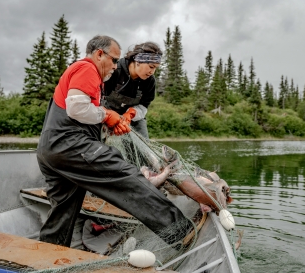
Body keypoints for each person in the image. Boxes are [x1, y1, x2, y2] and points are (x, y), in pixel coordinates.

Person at [36, 35, 191, 248]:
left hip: (50, 150)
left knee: (63, 209)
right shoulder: (87, 68)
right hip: (71, 146)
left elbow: (78, 110)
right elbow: (76, 108)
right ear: (100, 54)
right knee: (126, 176)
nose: (117, 66)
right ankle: (182, 233)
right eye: (115, 60)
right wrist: (107, 115)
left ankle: (48, 255)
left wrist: (111, 118)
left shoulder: (81, 72)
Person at [103, 42, 162, 139]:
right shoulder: (115, 70)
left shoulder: (150, 81)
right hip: (107, 114)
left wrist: (130, 114)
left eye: (156, 68)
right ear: (138, 61)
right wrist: (110, 117)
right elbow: (99, 97)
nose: (152, 72)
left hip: (134, 120)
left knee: (143, 148)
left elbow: (144, 106)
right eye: (151, 67)